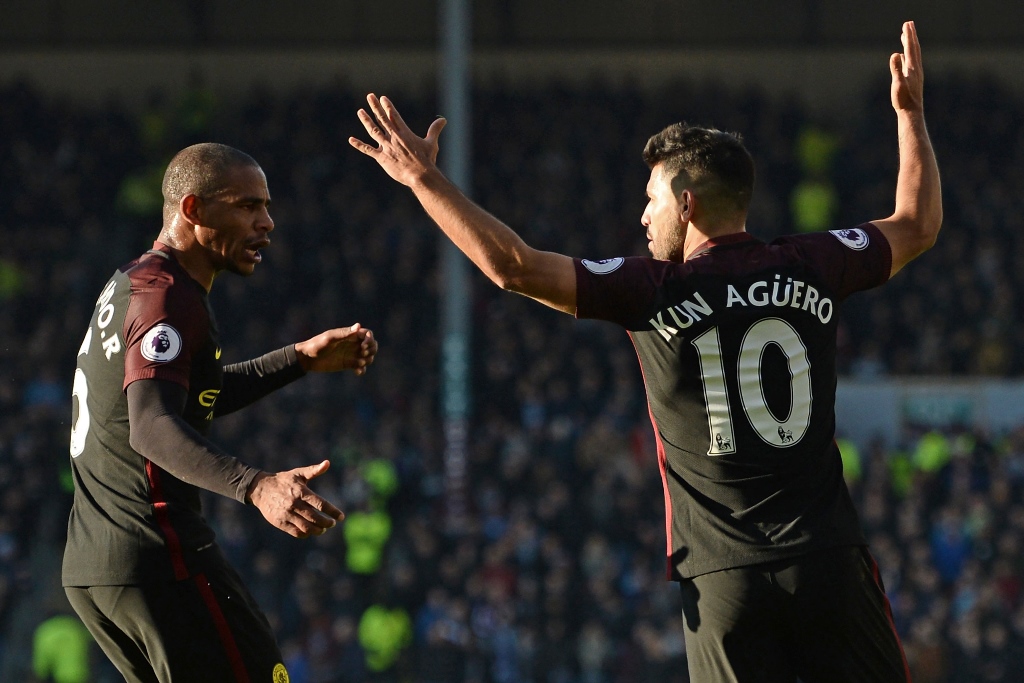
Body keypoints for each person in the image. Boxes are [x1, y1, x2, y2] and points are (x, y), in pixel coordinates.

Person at [350, 21, 940, 683]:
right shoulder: (812, 263)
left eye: (652, 199)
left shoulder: (654, 289)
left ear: (687, 206)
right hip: (829, 560)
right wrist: (910, 115)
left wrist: (424, 181)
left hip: (722, 578)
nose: (642, 216)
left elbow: (511, 266)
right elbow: (917, 223)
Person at [63, 142, 378, 683]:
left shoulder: (134, 282)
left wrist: (296, 360)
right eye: (247, 206)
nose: (267, 223)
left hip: (101, 565)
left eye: (266, 206)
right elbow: (153, 424)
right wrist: (256, 486)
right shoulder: (168, 300)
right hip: (160, 554)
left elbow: (182, 397)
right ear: (192, 210)